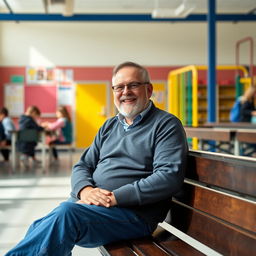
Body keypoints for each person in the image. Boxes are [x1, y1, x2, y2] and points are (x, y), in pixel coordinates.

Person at [5, 61, 188, 256]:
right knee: (40, 226)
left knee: (64, 217)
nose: (125, 92)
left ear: (149, 89)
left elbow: (168, 177)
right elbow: (83, 165)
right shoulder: (109, 126)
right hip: (93, 206)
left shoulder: (166, 125)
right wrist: (85, 190)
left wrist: (112, 198)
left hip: (134, 215)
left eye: (133, 85)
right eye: (119, 87)